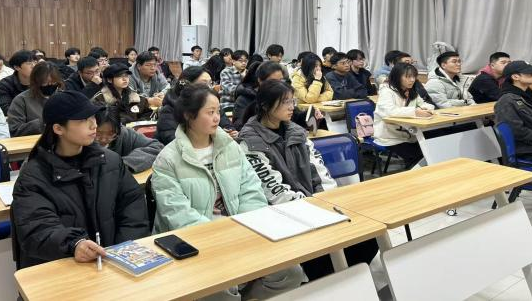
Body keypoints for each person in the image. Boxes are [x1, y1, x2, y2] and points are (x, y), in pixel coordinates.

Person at [151, 83, 305, 298]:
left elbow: (251, 189)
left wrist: (245, 226)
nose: (217, 118)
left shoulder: (230, 147)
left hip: (240, 231)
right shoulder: (167, 160)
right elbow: (177, 213)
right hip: (196, 241)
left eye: (218, 111)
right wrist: (221, 236)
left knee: (289, 272)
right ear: (189, 115)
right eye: (210, 112)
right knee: (222, 287)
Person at [238, 80, 378, 280]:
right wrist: (311, 211)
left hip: (314, 206)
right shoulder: (249, 142)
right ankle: (326, 282)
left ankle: (343, 280)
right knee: (318, 253)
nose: (292, 107)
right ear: (266, 106)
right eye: (285, 102)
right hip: (282, 213)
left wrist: (326, 204)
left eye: (292, 101)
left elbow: (320, 172)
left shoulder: (297, 132)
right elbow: (275, 191)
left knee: (368, 236)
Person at [11, 91, 149, 269]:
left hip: (112, 262)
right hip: (64, 267)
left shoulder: (110, 161)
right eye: (83, 120)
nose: (94, 124)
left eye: (92, 117)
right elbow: (37, 228)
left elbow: (133, 206)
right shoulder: (33, 176)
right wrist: (74, 244)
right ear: (58, 129)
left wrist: (121, 250)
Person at [373, 63, 434, 169]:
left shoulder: (411, 90)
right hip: (390, 136)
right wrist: (415, 112)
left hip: (410, 134)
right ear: (397, 77)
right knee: (417, 155)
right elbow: (389, 111)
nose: (412, 80)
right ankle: (416, 175)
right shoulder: (386, 91)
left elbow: (425, 104)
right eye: (408, 77)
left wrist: (426, 109)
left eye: (414, 76)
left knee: (430, 149)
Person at [157, 66, 236, 145]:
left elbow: (228, 127)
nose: (209, 88)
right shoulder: (169, 110)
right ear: (187, 86)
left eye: (210, 83)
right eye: (203, 84)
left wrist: (231, 133)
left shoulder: (212, 105)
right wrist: (216, 137)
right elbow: (174, 140)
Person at [95, 107, 163, 173]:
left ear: (118, 129)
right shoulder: (88, 141)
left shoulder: (124, 134)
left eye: (110, 134)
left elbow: (157, 147)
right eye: (98, 133)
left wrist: (123, 164)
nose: (103, 139)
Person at [8, 62, 65, 136]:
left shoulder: (64, 98)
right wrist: (42, 123)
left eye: (53, 82)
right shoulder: (21, 100)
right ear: (35, 81)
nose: (50, 85)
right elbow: (15, 130)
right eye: (45, 82)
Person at [0, 49, 35, 115]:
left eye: (35, 62)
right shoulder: (3, 85)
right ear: (17, 67)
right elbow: (6, 109)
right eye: (29, 63)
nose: (33, 66)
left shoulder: (41, 82)